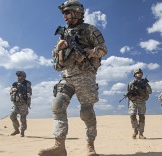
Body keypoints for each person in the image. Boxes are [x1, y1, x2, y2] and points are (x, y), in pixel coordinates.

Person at [38, 1, 107, 156]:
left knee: (86, 112)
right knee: (57, 105)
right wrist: (58, 49)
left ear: (77, 12)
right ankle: (59, 147)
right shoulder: (63, 36)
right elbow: (57, 66)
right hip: (67, 76)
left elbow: (103, 49)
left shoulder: (89, 29)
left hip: (85, 76)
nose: (65, 16)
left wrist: (90, 52)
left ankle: (90, 146)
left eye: (67, 12)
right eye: (64, 13)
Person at [127, 69, 152, 139]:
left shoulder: (145, 83)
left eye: (140, 73)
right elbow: (128, 92)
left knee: (141, 117)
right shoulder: (131, 83)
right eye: (137, 73)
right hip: (133, 102)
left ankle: (141, 133)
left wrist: (145, 86)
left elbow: (150, 91)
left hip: (142, 101)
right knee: (132, 116)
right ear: (135, 75)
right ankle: (135, 130)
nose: (139, 74)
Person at [9, 71, 32, 137]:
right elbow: (10, 91)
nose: (18, 77)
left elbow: (29, 93)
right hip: (15, 103)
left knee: (23, 118)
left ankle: (22, 131)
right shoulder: (15, 84)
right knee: (12, 116)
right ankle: (16, 130)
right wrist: (12, 90)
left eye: (19, 75)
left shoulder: (27, 83)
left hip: (23, 104)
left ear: (23, 76)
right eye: (17, 76)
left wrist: (28, 102)